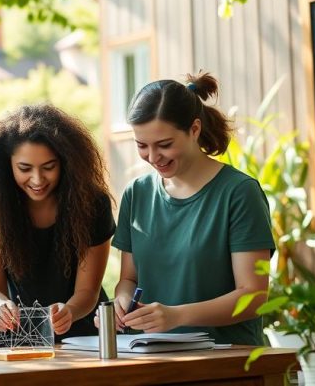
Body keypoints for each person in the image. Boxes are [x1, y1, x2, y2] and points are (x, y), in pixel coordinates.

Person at [108, 72, 274, 345]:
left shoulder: (239, 193)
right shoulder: (137, 194)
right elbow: (128, 278)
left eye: (164, 145)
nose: (152, 157)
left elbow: (254, 296)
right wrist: (123, 303)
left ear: (194, 129)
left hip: (227, 359)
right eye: (141, 146)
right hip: (149, 358)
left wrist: (177, 316)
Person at [0, 104, 114, 341]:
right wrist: (0, 306)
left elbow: (88, 292)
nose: (37, 179)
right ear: (7, 165)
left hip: (86, 339)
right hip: (24, 340)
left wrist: (70, 311)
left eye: (49, 167)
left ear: (65, 162)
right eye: (24, 168)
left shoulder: (92, 203)